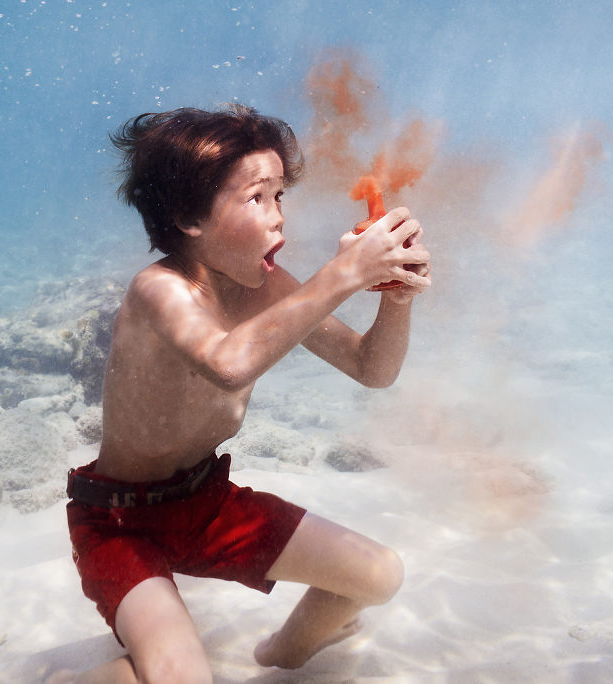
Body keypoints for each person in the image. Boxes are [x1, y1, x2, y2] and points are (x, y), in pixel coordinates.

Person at [55, 104, 431, 683]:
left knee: (379, 574)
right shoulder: (159, 290)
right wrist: (344, 274)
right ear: (188, 217)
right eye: (258, 198)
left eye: (281, 196)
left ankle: (285, 652)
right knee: (182, 678)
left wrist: (396, 299)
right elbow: (227, 365)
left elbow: (370, 367)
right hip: (118, 522)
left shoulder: (267, 287)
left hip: (207, 502)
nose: (279, 219)